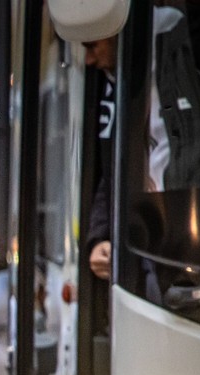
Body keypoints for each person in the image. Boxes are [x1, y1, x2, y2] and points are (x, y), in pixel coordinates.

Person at [82, 36, 117, 280]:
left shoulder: (177, 58)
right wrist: (100, 237)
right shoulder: (112, 85)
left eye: (92, 45)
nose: (88, 60)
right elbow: (111, 171)